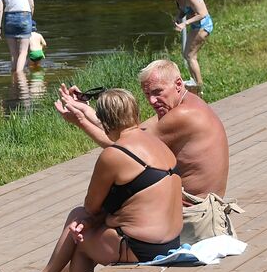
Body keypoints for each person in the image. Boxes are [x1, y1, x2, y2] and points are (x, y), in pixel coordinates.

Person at [0, 88, 182, 272]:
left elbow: (91, 208)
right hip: (171, 243)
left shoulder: (114, 155)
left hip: (144, 248)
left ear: (105, 122)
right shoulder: (158, 144)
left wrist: (92, 221)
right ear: (135, 113)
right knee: (82, 227)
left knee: (79, 233)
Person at [60, 59, 229, 204]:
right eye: (147, 94)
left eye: (157, 92)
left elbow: (123, 149)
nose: (152, 100)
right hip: (193, 203)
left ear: (178, 84)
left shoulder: (183, 115)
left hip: (196, 211)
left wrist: (81, 121)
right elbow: (128, 131)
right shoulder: (184, 105)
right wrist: (84, 109)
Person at [158, 0, 211, 89]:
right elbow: (184, 10)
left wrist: (184, 24)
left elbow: (203, 14)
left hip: (203, 25)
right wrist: (178, 17)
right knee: (188, 54)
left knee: (189, 55)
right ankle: (194, 82)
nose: (167, 0)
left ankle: (199, 85)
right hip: (196, 26)